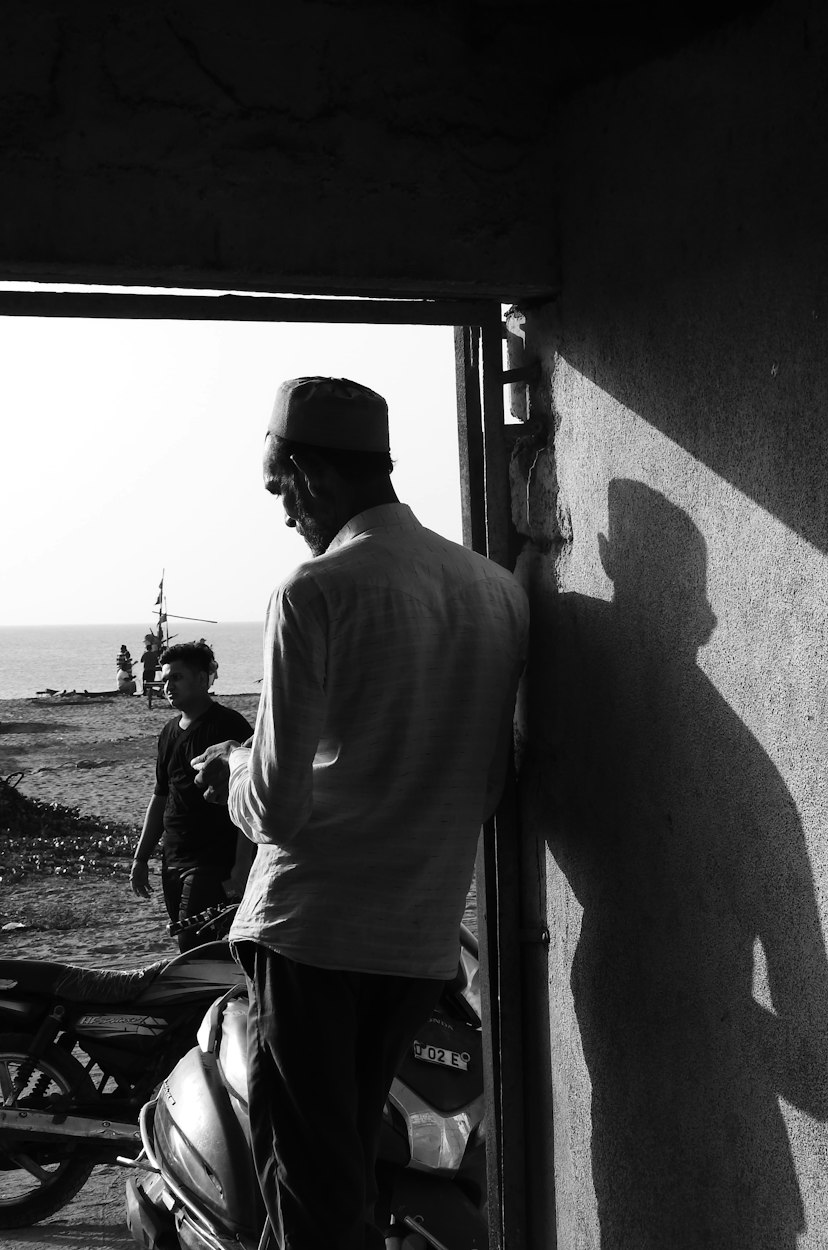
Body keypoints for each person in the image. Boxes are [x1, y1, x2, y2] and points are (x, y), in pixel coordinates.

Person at [190, 376, 529, 1250]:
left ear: (308, 474)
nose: (281, 510)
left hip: (313, 936)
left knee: (308, 1189)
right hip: (416, 944)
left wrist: (229, 765)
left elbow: (274, 808)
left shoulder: (313, 591)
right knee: (339, 1181)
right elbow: (488, 784)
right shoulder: (498, 593)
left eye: (278, 489)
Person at [130, 640, 254, 952]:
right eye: (165, 678)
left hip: (212, 860)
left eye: (177, 678)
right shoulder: (169, 730)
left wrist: (242, 866)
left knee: (196, 947)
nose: (167, 685)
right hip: (172, 856)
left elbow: (247, 794)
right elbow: (161, 795)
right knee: (187, 947)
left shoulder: (227, 725)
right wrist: (141, 857)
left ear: (202, 679)